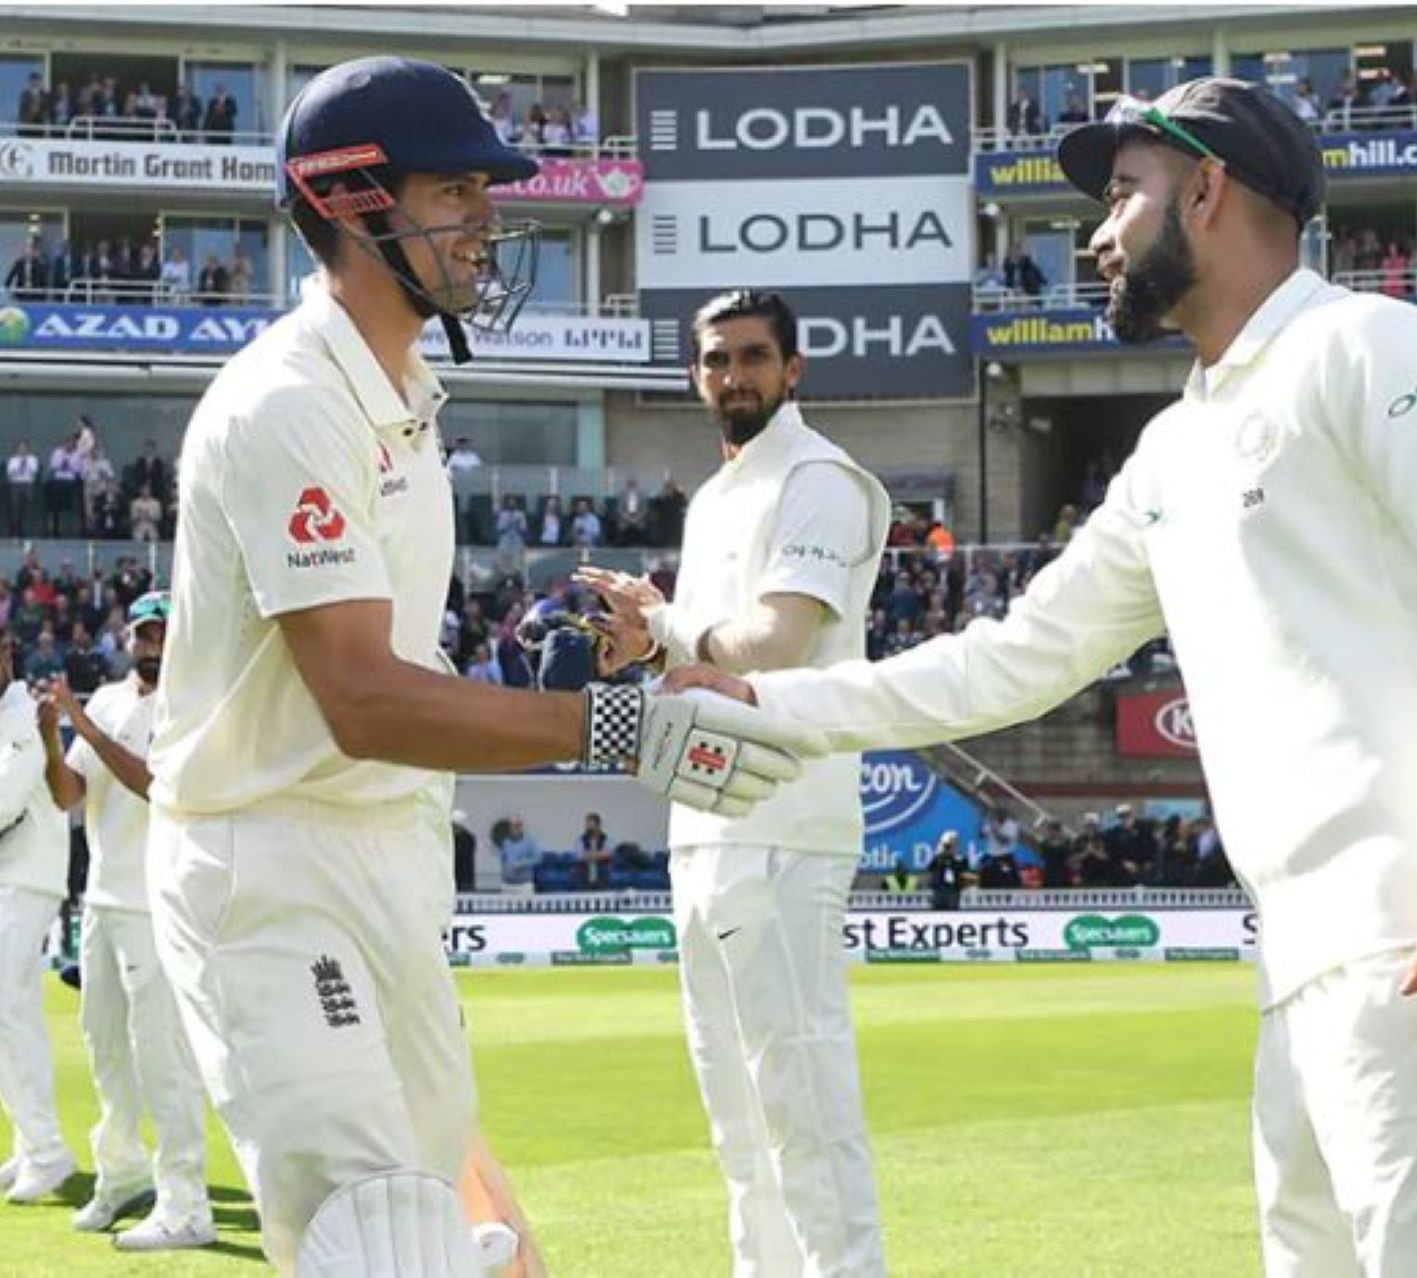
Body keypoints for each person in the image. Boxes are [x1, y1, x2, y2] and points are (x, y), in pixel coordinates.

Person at [668, 78, 1417, 1277]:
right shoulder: (1172, 448)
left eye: (1121, 196)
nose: (1094, 236)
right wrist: (765, 701)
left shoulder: (1370, 343)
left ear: (1205, 191)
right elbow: (1011, 658)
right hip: (1301, 957)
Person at [144, 57, 817, 1275]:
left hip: (386, 850)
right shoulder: (287, 403)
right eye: (454, 190)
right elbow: (358, 699)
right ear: (354, 205)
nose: (487, 220)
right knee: (378, 1244)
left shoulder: (404, 389)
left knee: (457, 1233)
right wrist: (614, 731)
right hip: (269, 856)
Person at [576, 287, 892, 1278]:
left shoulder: (821, 479)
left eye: (753, 357)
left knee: (804, 1102)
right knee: (737, 1116)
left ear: (792, 369)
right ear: (694, 373)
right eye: (715, 359)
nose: (733, 376)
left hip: (786, 824)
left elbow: (778, 641)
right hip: (705, 823)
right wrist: (644, 640)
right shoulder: (718, 495)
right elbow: (703, 666)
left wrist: (667, 624)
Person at [35, 593, 216, 1249]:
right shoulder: (110, 699)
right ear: (131, 638)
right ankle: (122, 1176)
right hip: (104, 901)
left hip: (157, 903)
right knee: (105, 1050)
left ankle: (186, 1202)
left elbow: (151, 784)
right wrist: (54, 740)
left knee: (159, 1056)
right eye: (146, 632)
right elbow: (69, 797)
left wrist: (80, 724)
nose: (154, 643)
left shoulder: (192, 703)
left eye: (165, 631)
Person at [0, 634, 79, 1206]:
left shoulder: (25, 714)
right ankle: (36, 1146)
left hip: (29, 875)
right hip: (11, 874)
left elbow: (5, 799)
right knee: (17, 1013)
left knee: (6, 1009)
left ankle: (47, 1151)